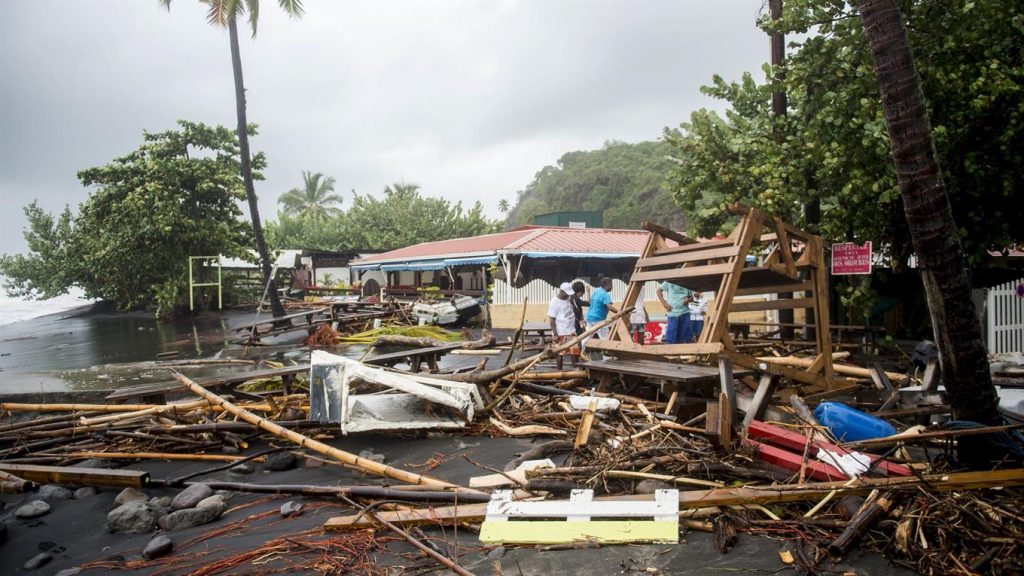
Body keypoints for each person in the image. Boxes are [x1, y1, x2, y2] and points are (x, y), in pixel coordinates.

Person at [548, 282, 579, 369]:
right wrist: (555, 334)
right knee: (559, 354)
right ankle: (559, 371)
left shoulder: (569, 300)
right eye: (566, 293)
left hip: (571, 331)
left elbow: (577, 313)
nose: (568, 295)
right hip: (561, 331)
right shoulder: (554, 302)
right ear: (561, 291)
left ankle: (576, 371)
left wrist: (573, 302)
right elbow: (552, 319)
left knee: (575, 352)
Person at [583, 277, 618, 348]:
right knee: (605, 338)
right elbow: (609, 307)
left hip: (589, 318)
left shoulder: (596, 291)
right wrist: (620, 312)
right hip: (598, 320)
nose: (612, 287)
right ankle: (607, 357)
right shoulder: (605, 295)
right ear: (607, 285)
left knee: (586, 337)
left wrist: (588, 292)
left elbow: (589, 302)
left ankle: (580, 352)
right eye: (611, 284)